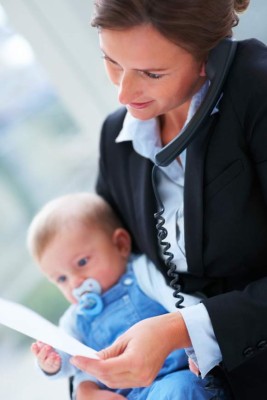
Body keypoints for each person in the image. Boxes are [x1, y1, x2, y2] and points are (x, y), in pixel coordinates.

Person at [68, 1, 267, 399]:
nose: (124, 91)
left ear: (210, 57)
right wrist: (87, 383)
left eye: (151, 73)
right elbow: (113, 272)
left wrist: (181, 329)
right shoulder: (117, 140)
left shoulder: (257, 92)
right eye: (112, 62)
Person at [27, 192, 220, 400]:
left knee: (181, 389)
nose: (75, 283)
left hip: (173, 377)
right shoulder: (75, 320)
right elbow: (71, 361)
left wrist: (197, 347)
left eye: (82, 263)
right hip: (124, 395)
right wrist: (50, 362)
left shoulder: (142, 273)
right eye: (61, 279)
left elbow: (182, 302)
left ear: (120, 244)